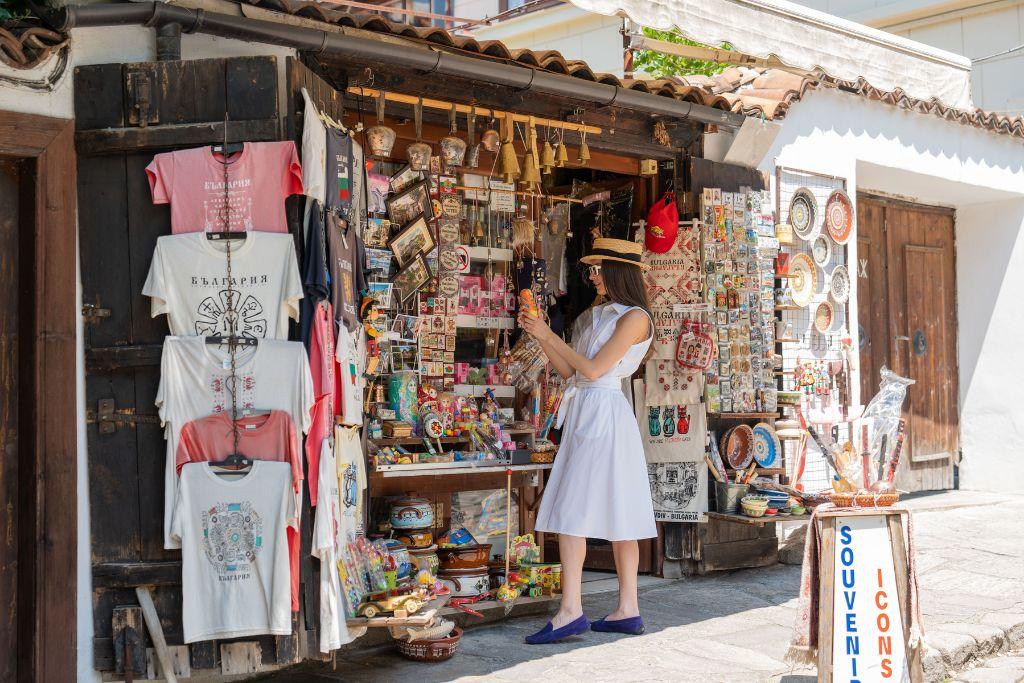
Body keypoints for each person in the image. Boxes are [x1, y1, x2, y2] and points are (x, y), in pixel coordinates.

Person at [517, 237, 657, 645]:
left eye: (599, 268)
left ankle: (572, 610)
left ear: (619, 271)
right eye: (591, 269)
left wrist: (549, 333)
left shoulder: (635, 317)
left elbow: (595, 370)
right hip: (587, 411)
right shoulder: (596, 316)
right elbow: (570, 372)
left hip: (604, 412)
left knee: (583, 507)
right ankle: (624, 610)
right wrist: (541, 336)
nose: (593, 275)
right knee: (605, 506)